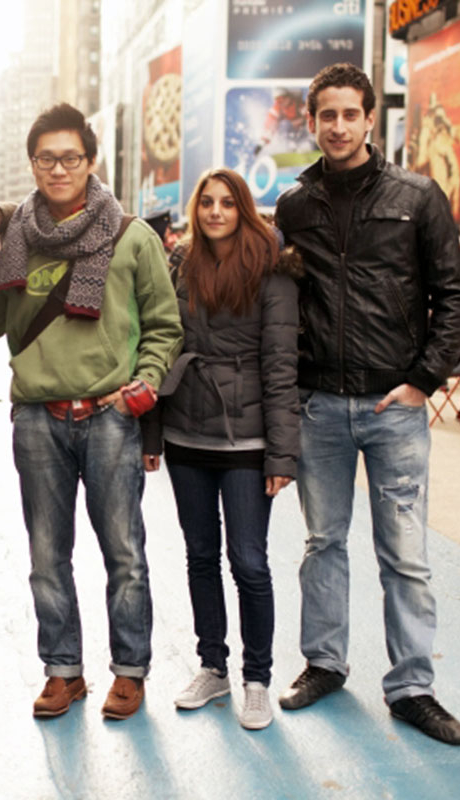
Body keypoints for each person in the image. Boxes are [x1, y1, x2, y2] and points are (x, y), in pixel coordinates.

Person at [273, 63, 460, 745]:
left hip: (396, 409)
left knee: (405, 555)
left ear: (368, 120)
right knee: (322, 543)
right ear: (312, 122)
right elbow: (279, 297)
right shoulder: (294, 207)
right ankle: (324, 664)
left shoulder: (417, 197)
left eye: (349, 114)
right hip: (321, 408)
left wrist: (423, 380)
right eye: (325, 115)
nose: (337, 126)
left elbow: (454, 294)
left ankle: (412, 687)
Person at [0, 103, 182, 720]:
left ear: (90, 161)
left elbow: (165, 325)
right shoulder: (13, 241)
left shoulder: (131, 237)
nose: (58, 169)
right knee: (46, 556)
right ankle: (63, 671)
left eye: (70, 157)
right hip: (38, 418)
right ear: (32, 165)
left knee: (125, 553)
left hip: (110, 417)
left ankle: (130, 672)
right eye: (46, 158)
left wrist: (143, 386)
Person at [142, 168, 299, 730]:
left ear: (243, 210)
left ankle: (257, 679)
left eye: (227, 203)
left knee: (249, 561)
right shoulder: (181, 263)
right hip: (187, 434)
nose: (215, 212)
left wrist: (282, 454)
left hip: (247, 440)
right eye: (206, 202)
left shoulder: (272, 270)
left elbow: (281, 366)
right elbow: (160, 344)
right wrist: (153, 434)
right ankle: (213, 666)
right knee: (201, 556)